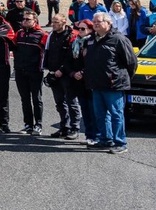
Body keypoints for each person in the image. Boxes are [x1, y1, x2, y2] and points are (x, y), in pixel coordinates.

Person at [83, 12, 136, 153]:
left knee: (116, 115)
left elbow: (131, 62)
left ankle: (120, 143)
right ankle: (105, 140)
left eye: (99, 21)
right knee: (100, 115)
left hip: (113, 85)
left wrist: (121, 79)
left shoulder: (119, 39)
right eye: (94, 21)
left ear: (108, 23)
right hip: (96, 84)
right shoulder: (91, 40)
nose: (95, 23)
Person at [42, 13, 81, 139]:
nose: (53, 24)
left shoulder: (72, 36)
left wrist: (62, 69)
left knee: (71, 102)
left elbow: (71, 57)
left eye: (56, 22)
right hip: (54, 73)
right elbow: (47, 53)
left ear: (64, 22)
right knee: (59, 102)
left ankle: (75, 128)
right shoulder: (51, 35)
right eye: (53, 22)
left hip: (67, 74)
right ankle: (64, 127)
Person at [13, 10, 47, 135]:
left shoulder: (42, 34)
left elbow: (47, 53)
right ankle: (28, 124)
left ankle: (38, 125)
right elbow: (12, 47)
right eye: (24, 19)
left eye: (28, 19)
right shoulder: (19, 33)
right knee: (25, 99)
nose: (25, 21)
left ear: (35, 21)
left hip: (35, 71)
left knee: (36, 98)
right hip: (20, 70)